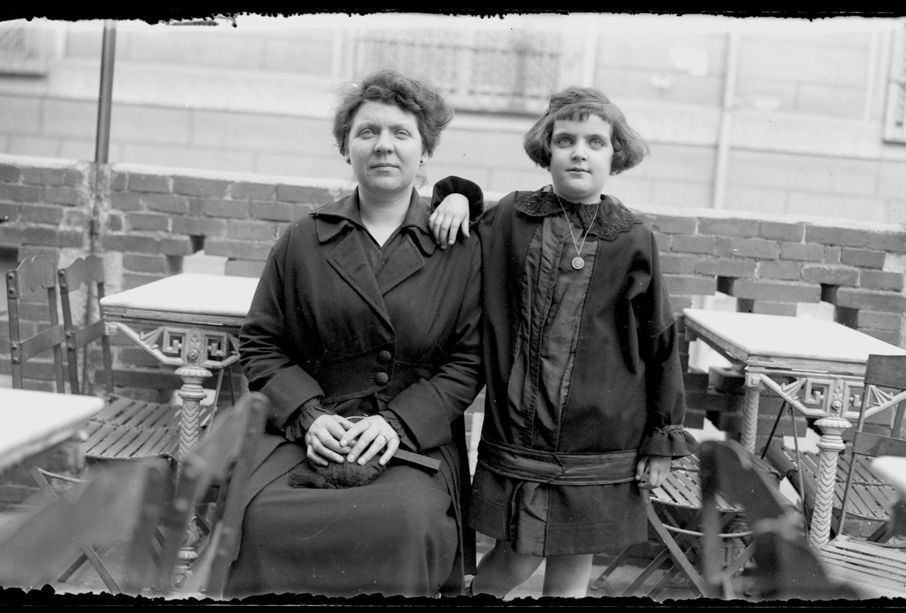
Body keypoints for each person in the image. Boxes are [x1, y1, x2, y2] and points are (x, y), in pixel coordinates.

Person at [218, 70, 483, 598]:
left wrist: (397, 425)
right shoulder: (302, 240)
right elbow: (261, 345)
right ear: (346, 148)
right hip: (309, 434)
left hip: (410, 441)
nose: (384, 145)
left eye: (401, 133)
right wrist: (307, 416)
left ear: (425, 151)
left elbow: (469, 361)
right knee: (265, 520)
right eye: (367, 132)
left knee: (405, 523)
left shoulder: (460, 245)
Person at [428, 86, 697, 598]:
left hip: (600, 439)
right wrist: (458, 194)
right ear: (545, 150)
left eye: (595, 142)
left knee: (574, 560)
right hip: (522, 432)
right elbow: (457, 243)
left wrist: (663, 438)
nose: (579, 151)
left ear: (613, 156)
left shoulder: (631, 237)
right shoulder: (513, 217)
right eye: (565, 140)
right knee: (517, 554)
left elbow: (660, 340)